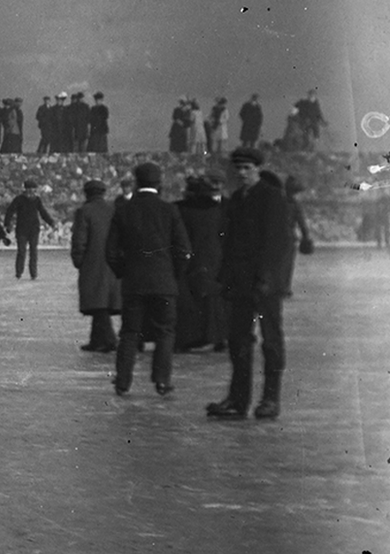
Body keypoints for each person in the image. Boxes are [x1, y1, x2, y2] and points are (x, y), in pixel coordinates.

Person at [207, 147, 294, 419]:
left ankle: (270, 400)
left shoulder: (272, 198)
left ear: (257, 169)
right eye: (239, 169)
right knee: (238, 342)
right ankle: (238, 400)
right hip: (239, 283)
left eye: (247, 168)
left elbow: (279, 244)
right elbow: (229, 243)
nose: (242, 173)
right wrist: (223, 278)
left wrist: (268, 278)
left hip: (265, 285)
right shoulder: (236, 201)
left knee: (271, 341)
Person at [106, 162, 191, 396]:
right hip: (164, 282)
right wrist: (174, 275)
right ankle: (162, 380)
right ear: (158, 183)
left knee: (130, 332)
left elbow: (111, 252)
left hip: (134, 283)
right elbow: (183, 249)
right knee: (165, 332)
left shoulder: (123, 210)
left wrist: (124, 272)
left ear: (137, 182)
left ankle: (123, 381)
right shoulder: (170, 210)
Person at [174, 175, 226, 352]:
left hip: (191, 255)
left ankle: (190, 337)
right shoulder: (217, 210)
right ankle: (217, 336)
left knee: (188, 297)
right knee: (213, 296)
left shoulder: (181, 209)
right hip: (213, 256)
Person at [71, 179, 122, 353]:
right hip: (111, 262)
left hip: (93, 262)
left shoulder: (84, 211)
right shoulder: (113, 209)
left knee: (98, 302)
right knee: (103, 300)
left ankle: (108, 339)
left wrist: (78, 259)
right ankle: (96, 340)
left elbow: (79, 240)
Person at [3, 179, 55, 279]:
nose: (31, 191)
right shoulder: (19, 199)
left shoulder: (37, 200)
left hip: (34, 229)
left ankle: (33, 273)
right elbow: (10, 211)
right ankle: (19, 272)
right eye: (29, 189)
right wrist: (7, 224)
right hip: (21, 228)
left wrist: (51, 222)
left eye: (33, 189)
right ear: (25, 189)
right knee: (21, 251)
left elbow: (43, 212)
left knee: (33, 252)